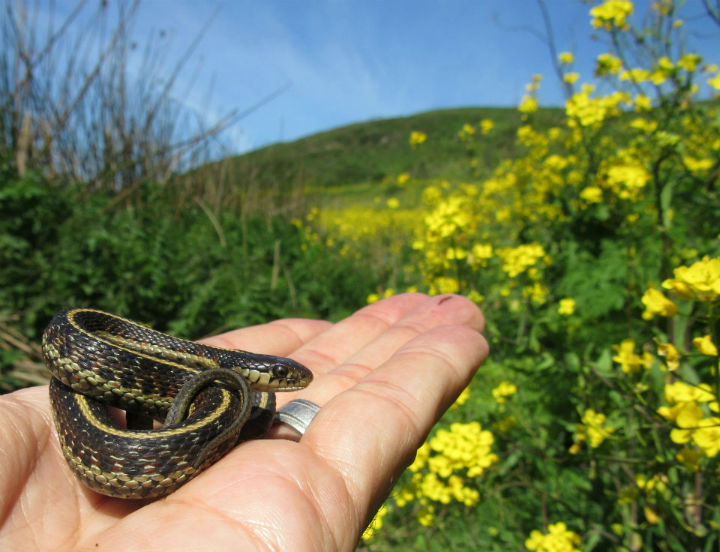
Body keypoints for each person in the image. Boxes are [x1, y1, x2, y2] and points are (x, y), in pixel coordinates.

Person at [0, 293, 487, 551]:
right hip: (104, 383)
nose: (286, 382)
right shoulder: (92, 335)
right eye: (278, 376)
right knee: (75, 385)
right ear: (252, 371)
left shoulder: (215, 386)